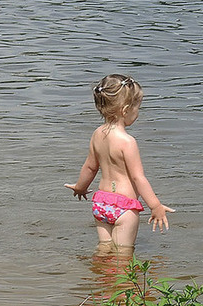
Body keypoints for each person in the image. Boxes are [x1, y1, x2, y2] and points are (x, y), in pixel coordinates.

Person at [65, 74, 174, 252]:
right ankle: (120, 281)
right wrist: (155, 206)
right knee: (122, 255)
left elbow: (90, 167)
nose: (138, 113)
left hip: (101, 203)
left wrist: (80, 187)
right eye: (137, 108)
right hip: (124, 206)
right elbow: (138, 178)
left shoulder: (97, 134)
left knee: (104, 249)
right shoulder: (127, 142)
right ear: (125, 110)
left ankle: (97, 278)